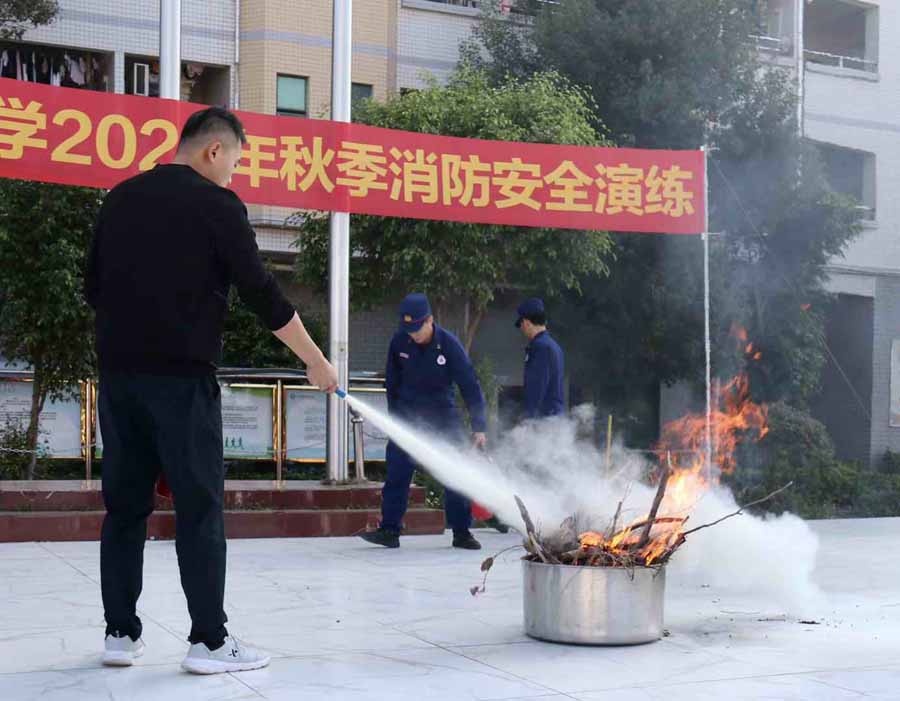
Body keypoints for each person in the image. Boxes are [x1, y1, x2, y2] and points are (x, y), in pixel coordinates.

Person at [84, 106, 338, 675]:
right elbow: (262, 292)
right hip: (181, 384)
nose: (233, 178)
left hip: (120, 382)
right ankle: (209, 642)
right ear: (213, 151)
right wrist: (316, 362)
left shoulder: (120, 198)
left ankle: (119, 634)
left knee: (123, 508)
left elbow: (93, 285)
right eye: (235, 165)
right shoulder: (217, 205)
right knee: (200, 509)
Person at [360, 293, 486, 551]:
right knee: (397, 473)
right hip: (407, 418)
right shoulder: (399, 342)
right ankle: (390, 530)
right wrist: (395, 421)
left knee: (455, 472)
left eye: (417, 328)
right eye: (408, 329)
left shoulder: (449, 345)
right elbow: (392, 384)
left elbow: (470, 385)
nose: (413, 334)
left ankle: (461, 532)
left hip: (443, 418)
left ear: (429, 320)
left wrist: (479, 426)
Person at [515, 298, 565, 419]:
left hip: (543, 422)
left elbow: (536, 389)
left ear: (527, 322)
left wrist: (527, 422)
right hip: (552, 420)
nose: (521, 329)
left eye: (521, 324)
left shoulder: (540, 347)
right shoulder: (553, 345)